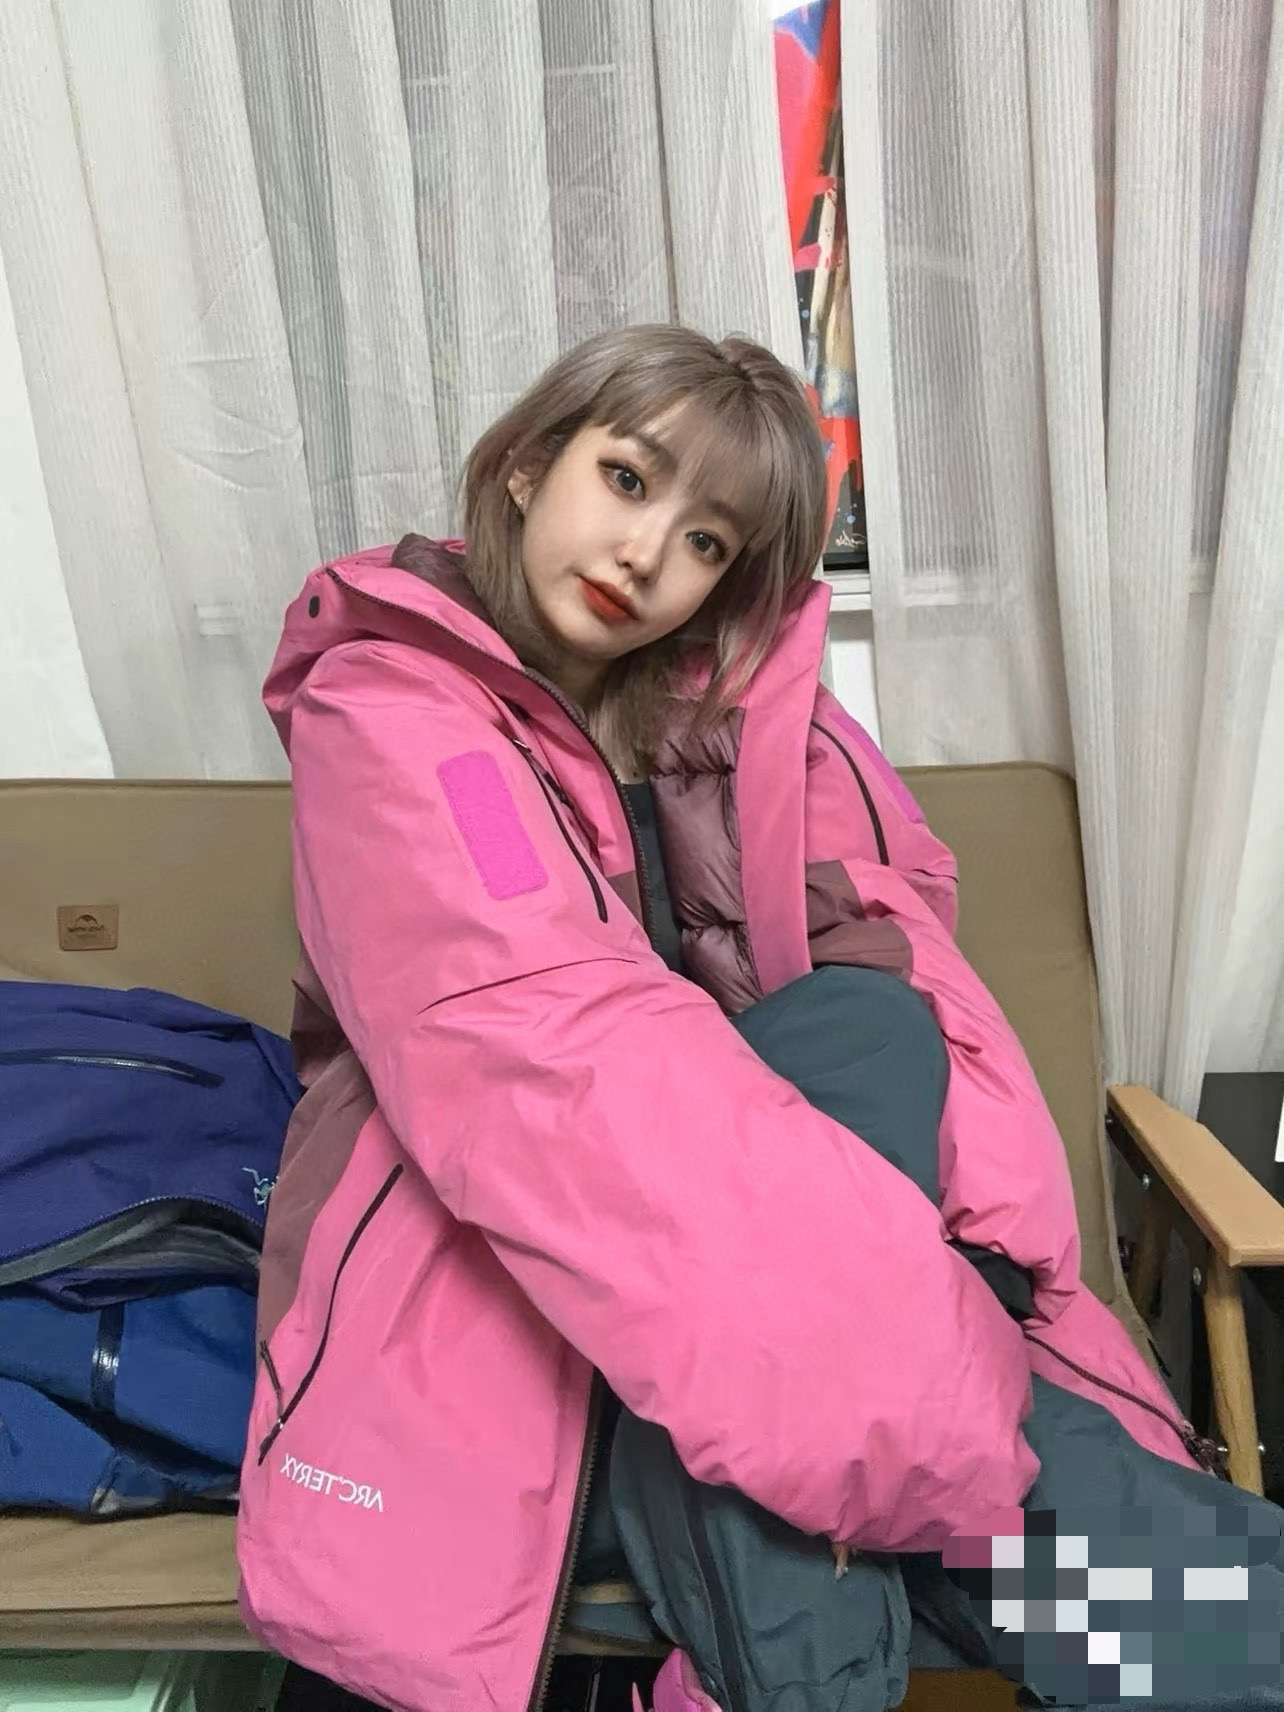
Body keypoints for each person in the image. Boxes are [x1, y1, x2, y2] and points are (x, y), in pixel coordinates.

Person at [237, 326, 1284, 1712]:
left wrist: (952, 1273)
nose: (644, 555)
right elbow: (541, 1047)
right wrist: (903, 1347)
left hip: (778, 1260)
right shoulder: (396, 714)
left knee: (865, 1033)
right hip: (516, 1276)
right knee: (1003, 1482)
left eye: (706, 542)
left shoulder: (752, 726)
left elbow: (904, 975)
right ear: (528, 465)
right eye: (625, 479)